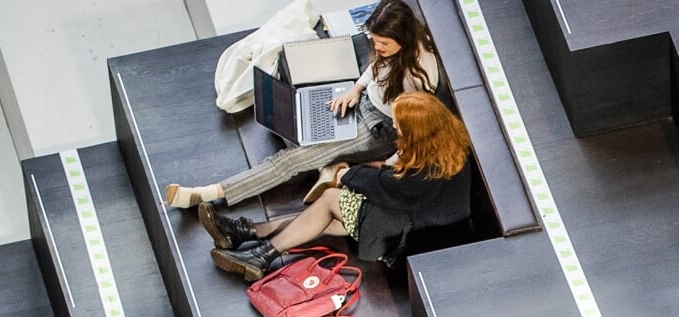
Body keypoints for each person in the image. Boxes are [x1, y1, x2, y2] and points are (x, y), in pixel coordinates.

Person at [163, 0, 442, 210]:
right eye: (374, 40)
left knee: (289, 162)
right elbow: (377, 67)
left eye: (383, 43)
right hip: (364, 102)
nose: (377, 47)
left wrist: (387, 160)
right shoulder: (392, 50)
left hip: (382, 129)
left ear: (402, 39)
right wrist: (356, 88)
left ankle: (210, 193)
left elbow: (413, 128)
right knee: (298, 115)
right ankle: (330, 164)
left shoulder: (419, 73)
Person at [208, 90, 473, 279]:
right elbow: (393, 179)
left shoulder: (426, 173)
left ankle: (261, 256)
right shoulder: (447, 146)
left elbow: (390, 186)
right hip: (412, 218)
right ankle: (246, 233)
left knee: (331, 200)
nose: (393, 126)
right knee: (324, 218)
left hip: (409, 235)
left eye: (399, 125)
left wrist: (346, 174)